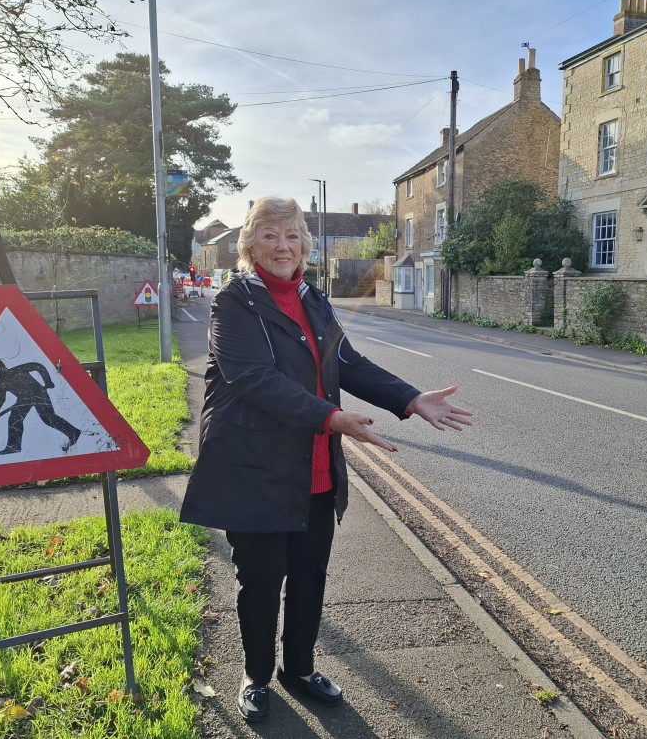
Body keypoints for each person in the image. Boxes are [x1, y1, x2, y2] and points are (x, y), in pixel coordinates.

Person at [180, 196, 473, 723]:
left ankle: (299, 670)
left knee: (310, 573)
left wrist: (410, 399)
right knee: (262, 580)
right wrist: (333, 418)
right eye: (270, 235)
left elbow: (347, 362)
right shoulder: (233, 303)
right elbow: (253, 380)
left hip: (312, 464)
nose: (283, 246)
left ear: (305, 245)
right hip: (255, 466)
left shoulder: (313, 298)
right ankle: (256, 675)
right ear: (249, 245)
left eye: (292, 235)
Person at [0, 357, 80, 455]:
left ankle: (73, 433)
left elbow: (39, 366)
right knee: (14, 419)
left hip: (39, 393)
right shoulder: (0, 382)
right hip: (24, 399)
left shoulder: (18, 369)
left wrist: (47, 381)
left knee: (48, 418)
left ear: (1, 363)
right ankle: (13, 446)